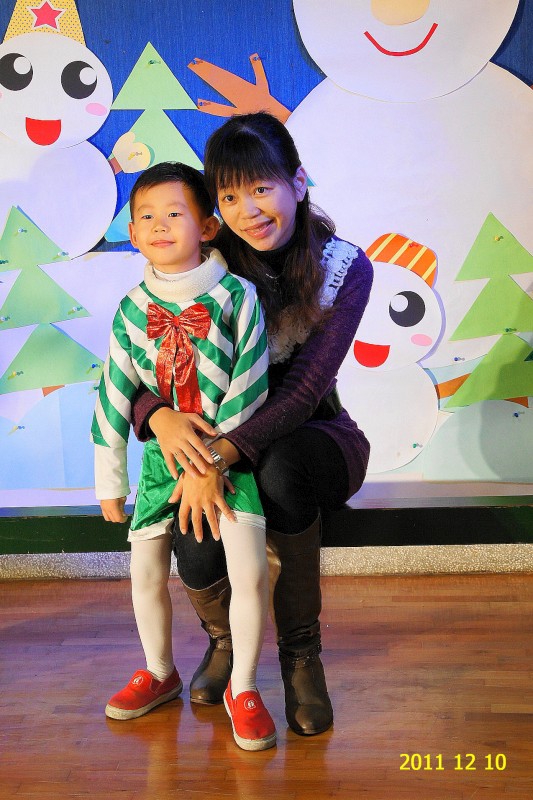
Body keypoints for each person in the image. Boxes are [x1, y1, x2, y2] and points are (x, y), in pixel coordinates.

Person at [131, 113, 373, 736]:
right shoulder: (205, 262)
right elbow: (139, 360)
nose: (248, 212)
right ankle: (223, 643)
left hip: (314, 438)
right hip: (213, 442)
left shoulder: (344, 266)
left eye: (261, 189)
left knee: (281, 469)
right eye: (230, 196)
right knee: (193, 528)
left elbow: (304, 391)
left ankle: (301, 656)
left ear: (298, 182)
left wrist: (214, 458)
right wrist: (160, 417)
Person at [91, 161, 276, 752]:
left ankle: (244, 687)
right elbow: (114, 394)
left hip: (229, 459)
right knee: (145, 573)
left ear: (208, 227)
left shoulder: (237, 296)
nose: (159, 225)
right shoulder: (130, 310)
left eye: (175, 213)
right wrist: (109, 481)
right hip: (159, 465)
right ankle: (159, 670)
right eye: (146, 216)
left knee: (249, 574)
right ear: (131, 232)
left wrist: (214, 459)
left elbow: (251, 385)